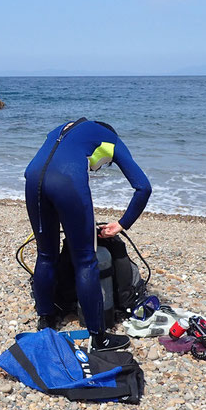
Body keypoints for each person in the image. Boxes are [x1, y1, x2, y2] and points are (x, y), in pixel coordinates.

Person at [24, 119, 151, 352]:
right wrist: (123, 223)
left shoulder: (62, 128)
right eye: (105, 164)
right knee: (86, 260)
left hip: (33, 178)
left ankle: (46, 321)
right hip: (66, 181)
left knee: (45, 255)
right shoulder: (111, 139)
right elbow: (143, 187)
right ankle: (99, 338)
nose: (99, 168)